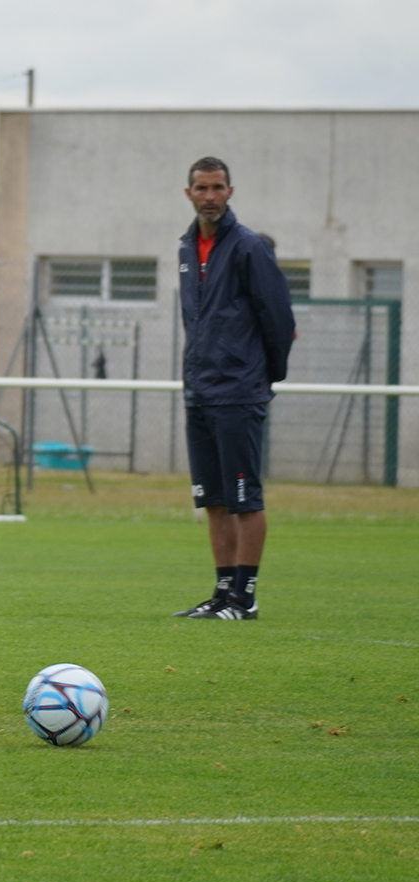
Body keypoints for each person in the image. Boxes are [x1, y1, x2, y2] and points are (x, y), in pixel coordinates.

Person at [173, 156, 295, 620]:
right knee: (214, 498)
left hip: (239, 390)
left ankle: (246, 596)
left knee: (246, 498)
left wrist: (265, 374)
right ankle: (223, 592)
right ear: (188, 193)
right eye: (201, 188)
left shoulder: (248, 247)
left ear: (230, 191)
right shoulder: (186, 248)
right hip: (199, 391)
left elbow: (278, 317)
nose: (209, 196)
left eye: (217, 187)